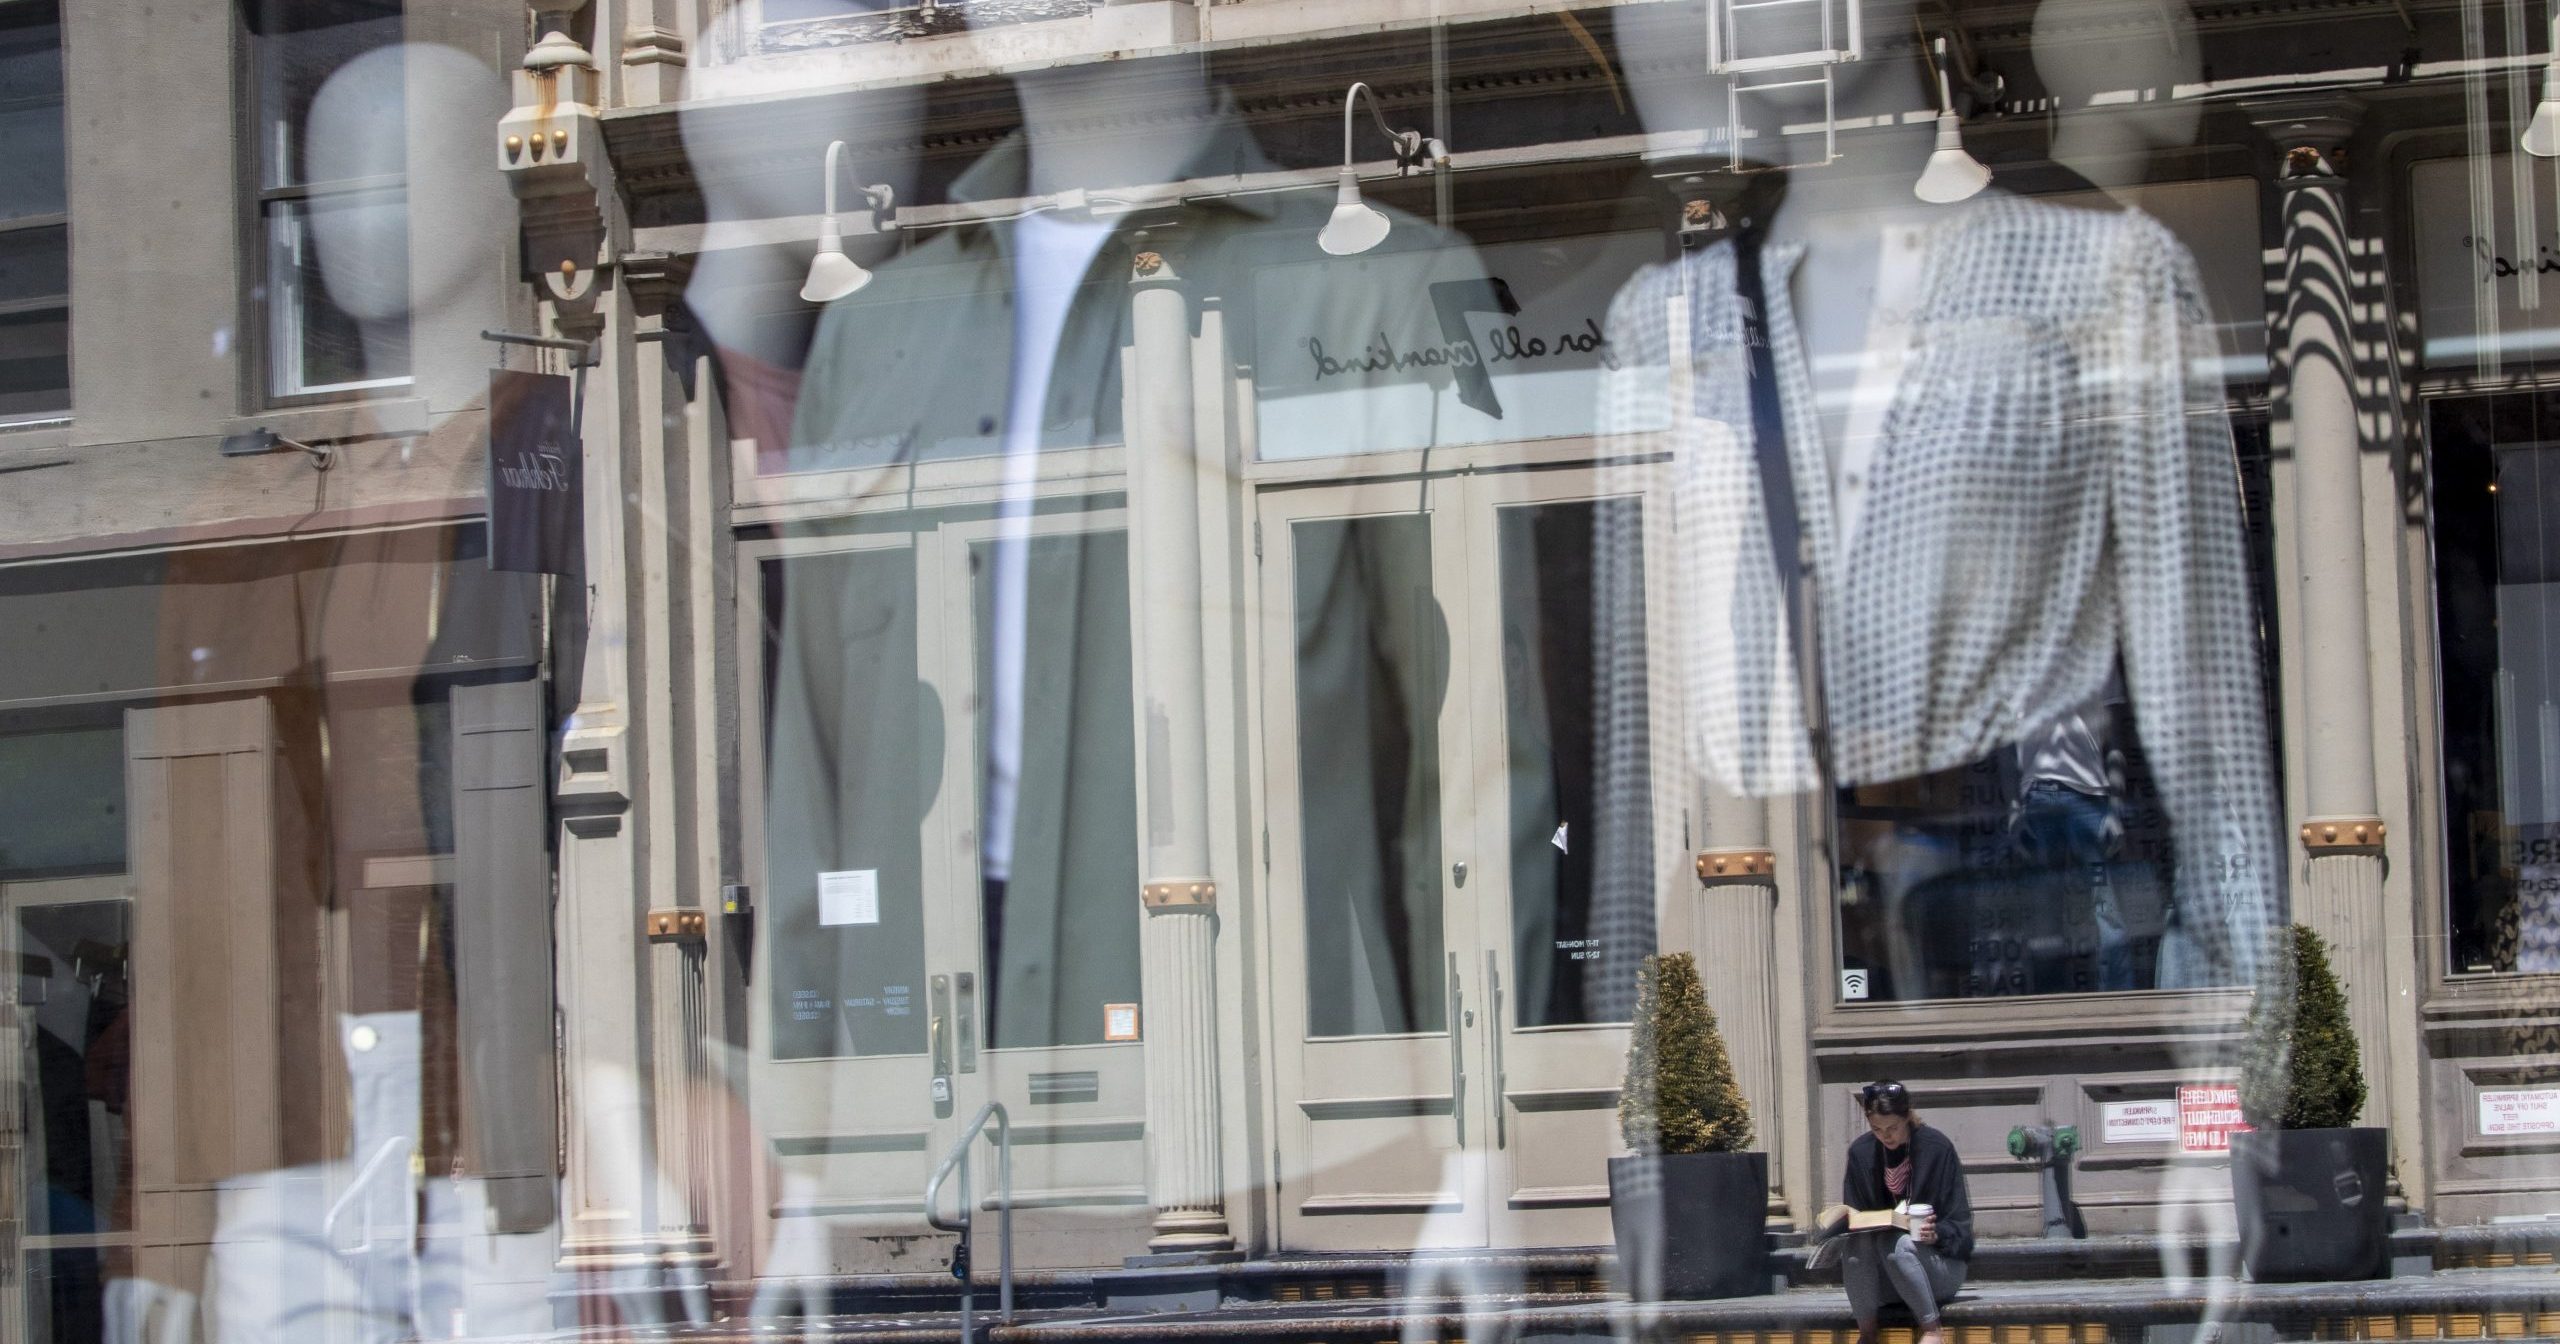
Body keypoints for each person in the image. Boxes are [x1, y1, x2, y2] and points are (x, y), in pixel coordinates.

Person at [1839, 1080, 1974, 1344]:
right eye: (1877, 1129)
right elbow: (1854, 1217)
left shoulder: (1936, 1148)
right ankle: (1867, 1334)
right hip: (1886, 1279)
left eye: (1893, 1128)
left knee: (1897, 1243)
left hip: (1938, 1267)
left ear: (1908, 1116)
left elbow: (1961, 1229)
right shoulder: (1861, 1153)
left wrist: (1937, 1233)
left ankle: (1933, 1331)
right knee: (1855, 1247)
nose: (1886, 1136)